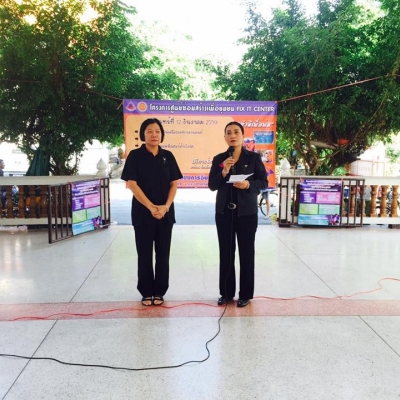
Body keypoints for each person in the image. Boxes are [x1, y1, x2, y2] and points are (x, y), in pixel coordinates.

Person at [121, 118, 183, 307]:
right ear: (143, 134)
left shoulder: (168, 156)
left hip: (165, 214)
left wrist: (165, 206)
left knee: (163, 254)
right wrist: (150, 207)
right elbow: (132, 184)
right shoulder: (135, 156)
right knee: (144, 254)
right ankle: (146, 292)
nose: (154, 134)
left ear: (161, 134)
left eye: (157, 131)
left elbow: (174, 184)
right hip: (142, 214)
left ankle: (160, 291)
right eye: (149, 131)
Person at [208, 121, 267, 308]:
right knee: (226, 253)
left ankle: (245, 294)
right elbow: (212, 185)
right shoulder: (219, 159)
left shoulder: (253, 158)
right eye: (228, 133)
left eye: (236, 132)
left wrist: (248, 184)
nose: (232, 135)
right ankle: (226, 293)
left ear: (242, 136)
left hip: (247, 213)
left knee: (246, 253)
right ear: (225, 137)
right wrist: (224, 171)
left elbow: (263, 182)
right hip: (224, 212)